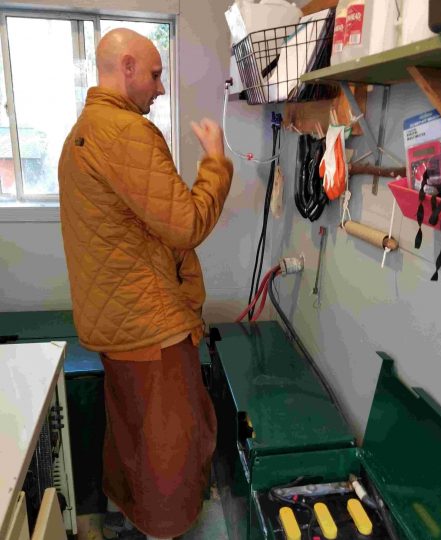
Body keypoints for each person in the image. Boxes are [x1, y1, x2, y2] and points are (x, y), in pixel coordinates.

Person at [58, 28, 233, 540]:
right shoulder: (124, 132)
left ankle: (133, 516)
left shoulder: (83, 133)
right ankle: (164, 529)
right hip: (150, 327)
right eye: (155, 75)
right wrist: (216, 164)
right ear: (127, 67)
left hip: (116, 323)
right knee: (171, 449)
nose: (160, 88)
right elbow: (186, 224)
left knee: (134, 436)